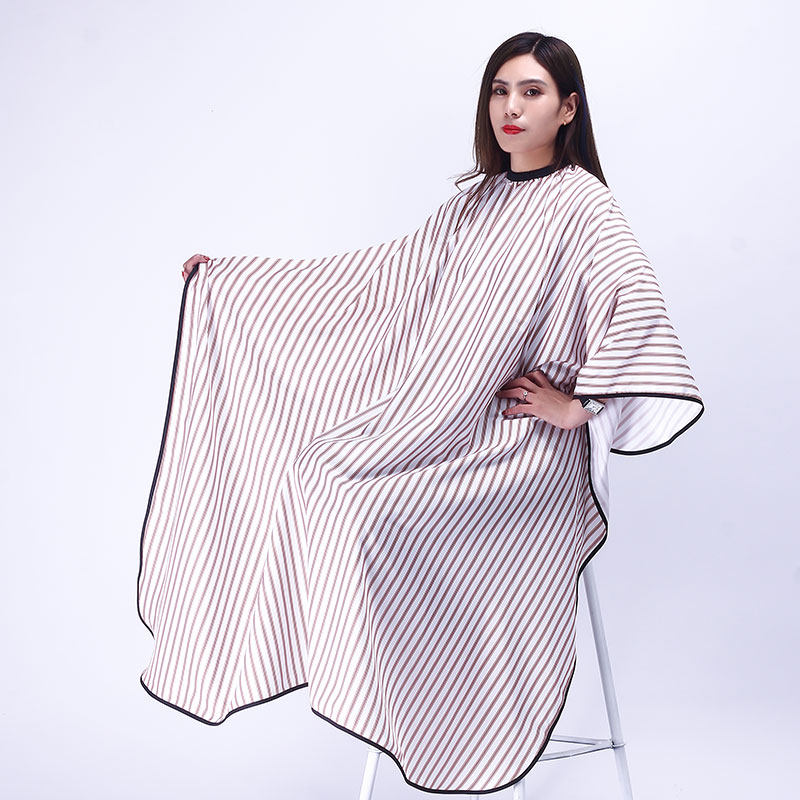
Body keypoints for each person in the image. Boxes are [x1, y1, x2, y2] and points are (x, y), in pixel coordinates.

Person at [139, 31, 704, 795]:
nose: (511, 107)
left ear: (568, 108)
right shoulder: (475, 204)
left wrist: (579, 407)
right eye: (500, 90)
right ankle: (391, 691)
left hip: (521, 452)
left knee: (362, 504)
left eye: (531, 92)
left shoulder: (585, 206)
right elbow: (371, 283)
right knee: (318, 472)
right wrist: (234, 279)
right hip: (438, 429)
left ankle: (426, 706)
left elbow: (638, 307)